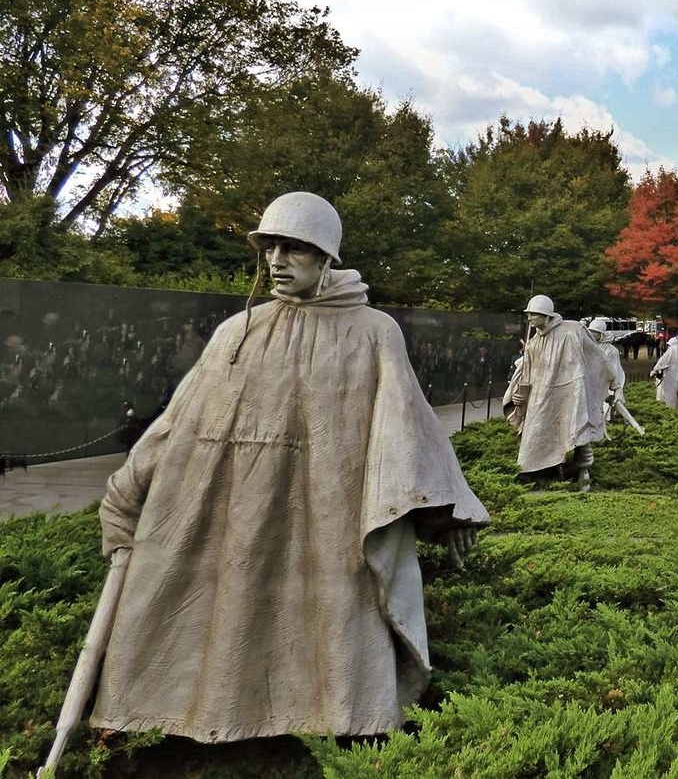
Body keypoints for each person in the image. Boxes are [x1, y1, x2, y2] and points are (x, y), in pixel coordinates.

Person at [91, 192, 490, 743]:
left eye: (295, 248)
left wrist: (450, 512)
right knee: (231, 610)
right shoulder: (239, 333)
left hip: (333, 514)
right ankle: (221, 721)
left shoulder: (373, 331)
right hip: (239, 513)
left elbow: (408, 427)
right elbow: (178, 422)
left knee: (332, 617)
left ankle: (341, 720)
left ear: (326, 257)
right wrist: (126, 493)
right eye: (270, 246)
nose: (277, 259)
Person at [505, 295, 607, 488]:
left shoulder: (569, 334)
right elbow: (528, 370)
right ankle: (541, 475)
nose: (530, 319)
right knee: (535, 434)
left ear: (546, 316)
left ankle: (582, 472)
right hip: (539, 397)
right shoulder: (534, 342)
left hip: (568, 392)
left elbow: (588, 362)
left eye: (534, 315)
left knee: (576, 431)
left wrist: (605, 387)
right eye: (529, 315)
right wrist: (521, 394)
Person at [586, 317, 627, 425]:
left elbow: (614, 371)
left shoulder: (611, 351)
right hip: (589, 383)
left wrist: (614, 386)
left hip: (604, 384)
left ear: (602, 334)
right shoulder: (588, 347)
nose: (592, 335)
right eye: (591, 332)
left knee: (603, 408)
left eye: (595, 332)